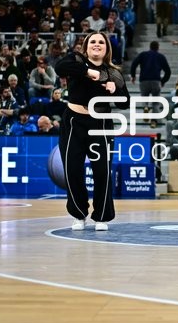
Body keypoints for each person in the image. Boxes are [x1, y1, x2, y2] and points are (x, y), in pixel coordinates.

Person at [55, 31, 130, 232]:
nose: (97, 45)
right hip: (73, 121)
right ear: (86, 46)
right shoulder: (76, 61)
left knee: (102, 171)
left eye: (101, 42)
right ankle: (78, 214)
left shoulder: (113, 72)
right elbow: (59, 67)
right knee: (72, 170)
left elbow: (125, 103)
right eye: (93, 42)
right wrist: (88, 72)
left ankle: (102, 216)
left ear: (106, 49)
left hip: (101, 123)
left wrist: (117, 90)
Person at [130, 40, 171, 116]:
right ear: (158, 48)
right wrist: (163, 81)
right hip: (156, 80)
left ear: (150, 47)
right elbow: (168, 71)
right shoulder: (161, 56)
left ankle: (145, 107)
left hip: (144, 81)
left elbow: (134, 64)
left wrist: (133, 76)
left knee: (144, 98)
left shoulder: (143, 54)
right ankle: (154, 120)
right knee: (155, 102)